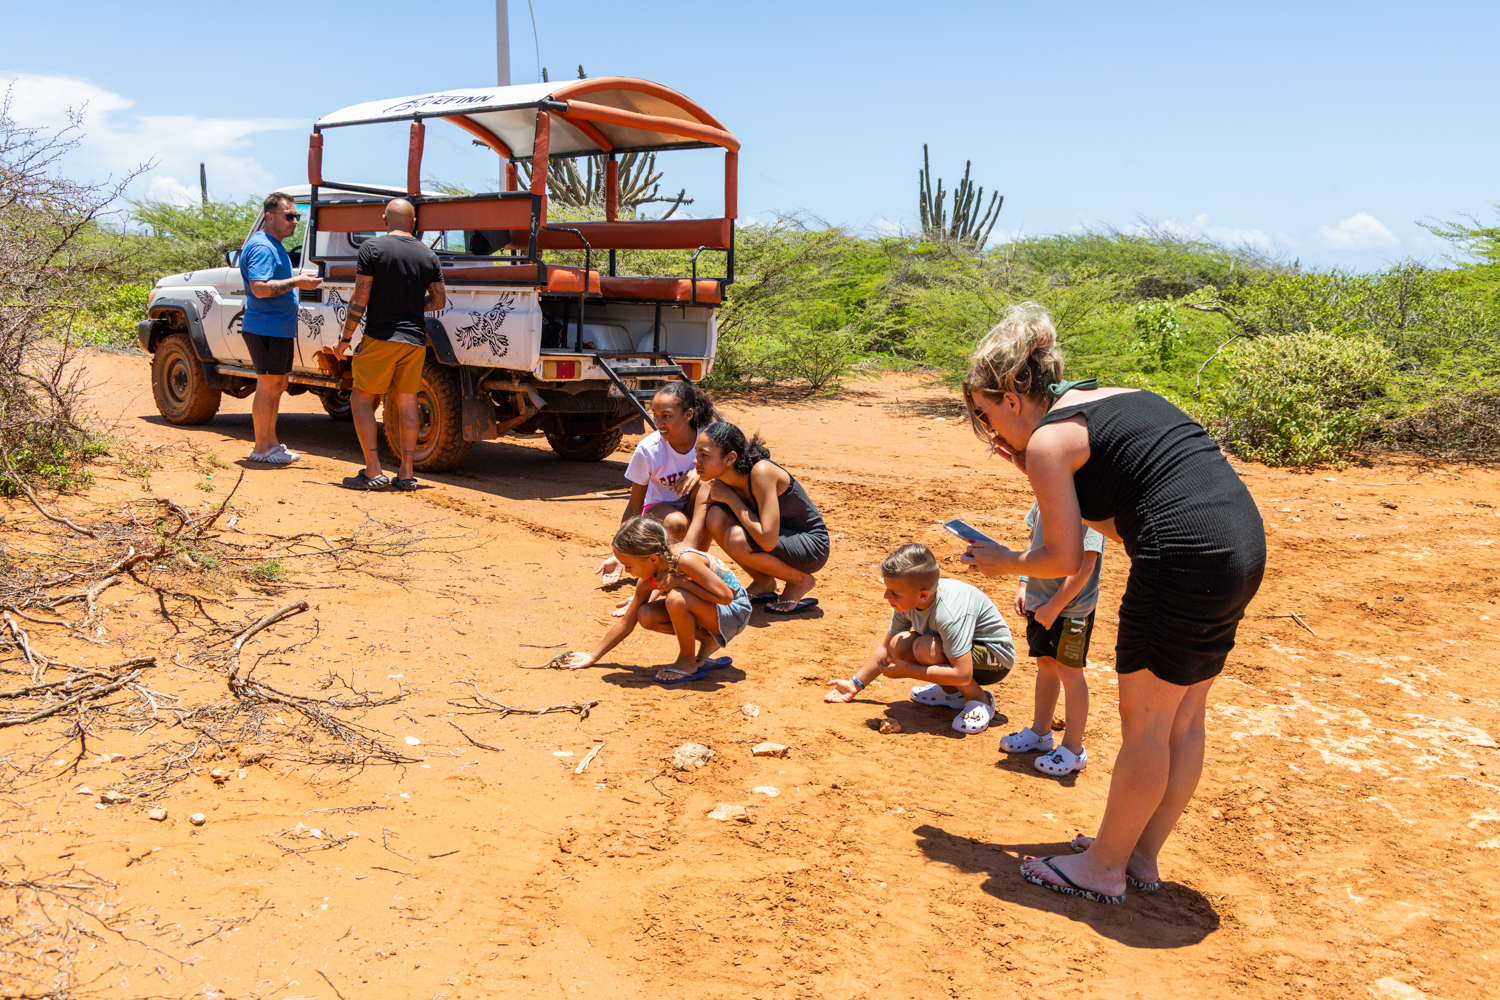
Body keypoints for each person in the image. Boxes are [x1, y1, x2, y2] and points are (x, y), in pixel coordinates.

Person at [960, 302, 1265, 905]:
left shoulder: (1050, 441)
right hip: (1240, 548)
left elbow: (1063, 559)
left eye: (984, 413)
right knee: (1184, 719)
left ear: (1012, 398)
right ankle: (1138, 855)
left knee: (1145, 726)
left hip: (1181, 560)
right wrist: (1038, 470)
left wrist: (1006, 561)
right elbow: (1125, 516)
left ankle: (1103, 868)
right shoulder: (1115, 398)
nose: (989, 430)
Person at [824, 543, 1015, 734]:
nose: (886, 596)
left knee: (925, 648)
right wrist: (854, 684)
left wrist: (909, 671)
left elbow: (963, 674)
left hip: (994, 659)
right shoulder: (909, 599)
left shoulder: (949, 613)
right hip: (960, 654)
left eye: (894, 593)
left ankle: (979, 699)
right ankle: (953, 693)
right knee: (899, 644)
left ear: (922, 595)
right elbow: (886, 647)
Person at [332, 198, 445, 491]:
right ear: (414, 223)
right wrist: (410, 304)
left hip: (381, 337)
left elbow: (360, 297)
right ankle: (406, 474)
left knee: (361, 399)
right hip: (414, 340)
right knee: (407, 401)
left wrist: (345, 339)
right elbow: (438, 300)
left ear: (384, 220)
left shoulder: (372, 248)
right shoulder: (428, 255)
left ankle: (373, 471)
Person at [561, 517, 752, 684]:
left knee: (676, 599)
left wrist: (680, 583)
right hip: (713, 612)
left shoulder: (685, 561)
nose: (626, 571)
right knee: (645, 614)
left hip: (736, 612)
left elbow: (726, 597)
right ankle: (708, 640)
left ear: (653, 559)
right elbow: (627, 622)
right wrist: (592, 656)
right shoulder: (649, 579)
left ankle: (687, 661)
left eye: (628, 566)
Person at [998, 500, 1105, 776]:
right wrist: (1023, 583)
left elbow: (1086, 564)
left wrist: (1055, 606)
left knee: (1070, 672)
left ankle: (1073, 749)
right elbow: (1032, 539)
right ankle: (1040, 733)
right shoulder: (1046, 494)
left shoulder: (1093, 504)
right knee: (1045, 664)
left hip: (1072, 608)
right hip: (1039, 601)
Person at [686, 422, 829, 615]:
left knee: (737, 539)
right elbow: (691, 542)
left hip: (811, 547)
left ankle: (799, 581)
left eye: (704, 455)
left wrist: (731, 498)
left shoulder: (762, 472)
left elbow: (767, 540)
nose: (696, 461)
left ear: (730, 458)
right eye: (696, 454)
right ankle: (763, 582)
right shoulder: (714, 484)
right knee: (715, 517)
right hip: (778, 540)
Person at [594, 382, 716, 599]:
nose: (658, 423)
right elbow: (634, 505)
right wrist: (622, 555)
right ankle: (666, 576)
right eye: (655, 415)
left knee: (710, 492)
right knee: (677, 522)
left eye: (667, 416)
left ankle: (693, 566)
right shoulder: (648, 449)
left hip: (696, 507)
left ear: (688, 415)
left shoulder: (708, 439)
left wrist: (700, 470)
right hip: (660, 510)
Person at [238, 192, 322, 465]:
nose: (295, 221)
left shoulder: (274, 245)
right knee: (268, 386)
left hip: (278, 328)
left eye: (296, 216)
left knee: (279, 384)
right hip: (266, 327)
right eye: (289, 216)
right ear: (270, 217)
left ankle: (272, 444)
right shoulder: (263, 247)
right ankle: (261, 447)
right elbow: (259, 289)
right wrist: (297, 282)